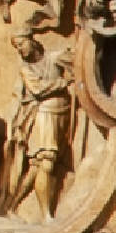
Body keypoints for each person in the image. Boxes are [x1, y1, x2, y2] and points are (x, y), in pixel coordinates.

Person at [6, 27, 72, 218]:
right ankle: (46, 215)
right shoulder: (26, 69)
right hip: (44, 115)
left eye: (21, 44)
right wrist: (62, 83)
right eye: (16, 47)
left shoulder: (55, 57)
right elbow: (38, 90)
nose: (20, 50)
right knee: (46, 162)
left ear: (31, 40)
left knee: (37, 167)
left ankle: (12, 205)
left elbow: (77, 66)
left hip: (63, 113)